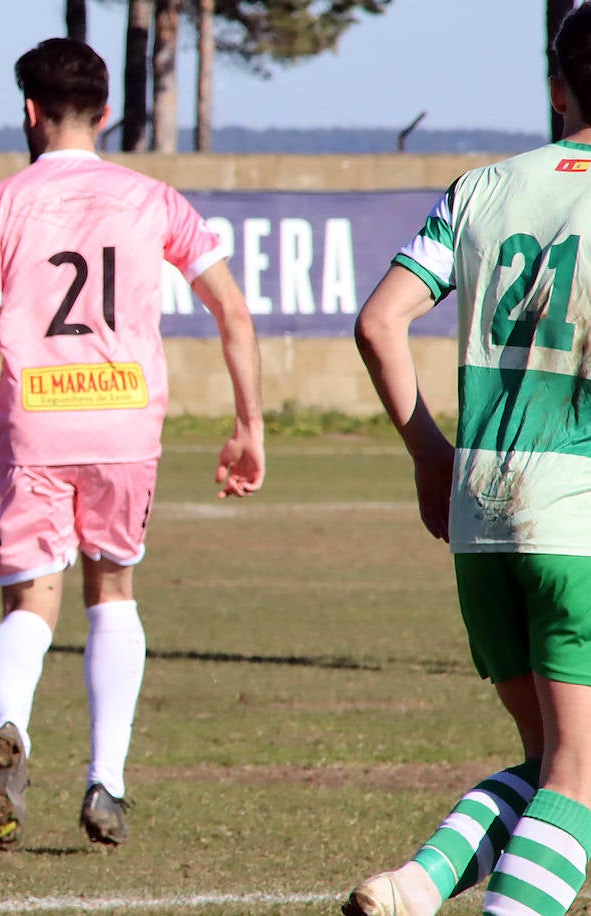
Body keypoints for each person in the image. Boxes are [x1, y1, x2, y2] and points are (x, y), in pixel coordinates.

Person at [0, 38, 264, 850]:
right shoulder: (154, 198)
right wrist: (248, 422)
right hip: (125, 422)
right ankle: (108, 783)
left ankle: (11, 722)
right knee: (113, 593)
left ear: (29, 112)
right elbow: (232, 310)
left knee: (29, 605)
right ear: (107, 112)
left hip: (35, 421)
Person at [343, 8, 591, 915]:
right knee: (580, 778)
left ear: (558, 89)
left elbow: (378, 323)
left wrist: (427, 458)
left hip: (483, 513)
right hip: (580, 515)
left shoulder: (481, 188)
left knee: (555, 763)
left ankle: (417, 883)